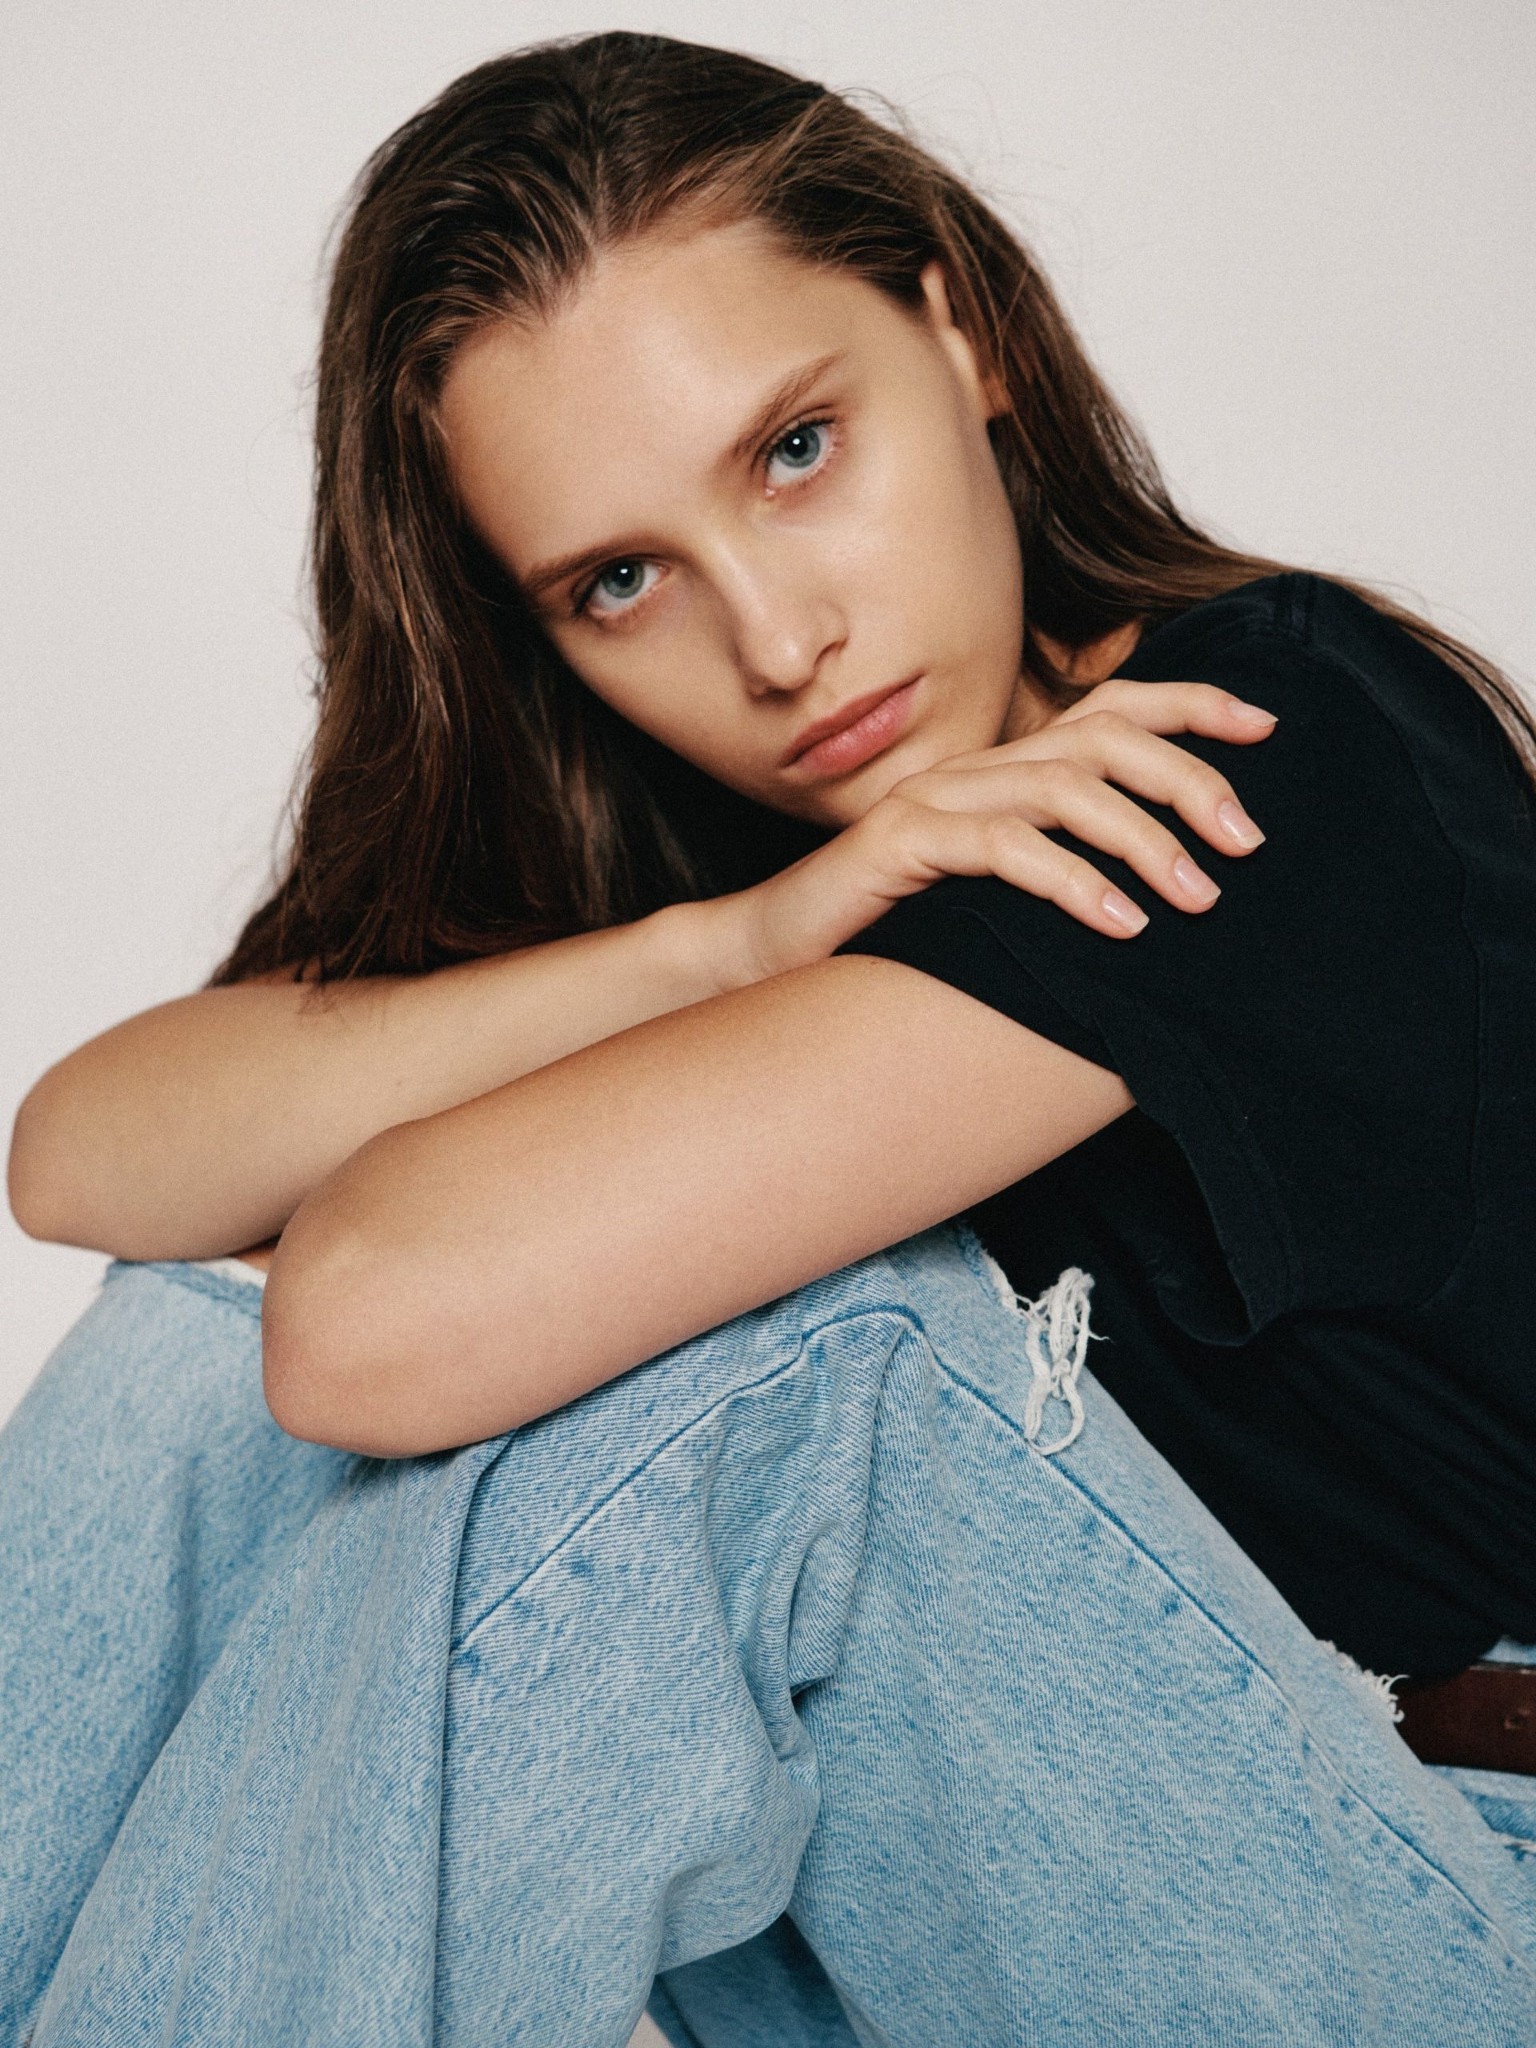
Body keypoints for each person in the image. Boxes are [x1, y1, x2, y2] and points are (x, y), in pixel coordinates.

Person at [6, 30, 1536, 2047]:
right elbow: (90, 1160)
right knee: (186, 1353)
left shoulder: (1242, 752)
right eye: (621, 579)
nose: (777, 643)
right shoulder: (726, 864)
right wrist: (723, 946)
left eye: (796, 449)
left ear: (963, 332)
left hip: (1448, 1896)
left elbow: (369, 1318)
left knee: (800, 1356)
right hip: (985, 1920)